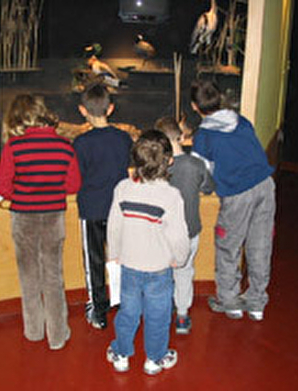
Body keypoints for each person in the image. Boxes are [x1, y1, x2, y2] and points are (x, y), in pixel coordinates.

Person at [0, 94, 81, 349]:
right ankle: (57, 335)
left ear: (18, 118)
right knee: (54, 276)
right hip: (54, 217)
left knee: (28, 276)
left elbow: (0, 186)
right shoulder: (65, 146)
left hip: (23, 218)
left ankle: (33, 330)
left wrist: (20, 193)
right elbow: (74, 184)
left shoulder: (14, 146)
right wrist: (51, 191)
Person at [190, 80, 276, 321]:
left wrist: (206, 191)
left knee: (228, 247)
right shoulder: (242, 121)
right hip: (265, 186)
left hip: (238, 194)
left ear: (195, 107)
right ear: (220, 99)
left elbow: (203, 174)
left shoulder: (204, 136)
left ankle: (229, 301)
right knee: (260, 246)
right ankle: (257, 302)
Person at [106, 130, 190, 375]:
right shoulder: (171, 196)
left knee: (128, 312)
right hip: (159, 269)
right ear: (169, 160)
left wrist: (114, 254)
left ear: (135, 159)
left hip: (129, 265)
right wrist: (180, 258)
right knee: (158, 316)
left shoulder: (122, 188)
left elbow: (114, 225)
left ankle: (121, 354)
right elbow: (178, 234)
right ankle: (154, 359)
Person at [73, 84, 133, 329]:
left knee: (94, 261)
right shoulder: (123, 138)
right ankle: (124, 304)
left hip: (91, 209)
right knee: (121, 257)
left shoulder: (80, 143)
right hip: (120, 209)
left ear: (82, 111)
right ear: (110, 108)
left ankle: (98, 310)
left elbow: (77, 177)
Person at [155, 117, 215, 334]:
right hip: (189, 230)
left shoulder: (157, 168)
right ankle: (182, 317)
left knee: (162, 274)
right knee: (185, 271)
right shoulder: (196, 165)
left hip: (163, 233)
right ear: (181, 136)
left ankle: (161, 316)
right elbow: (208, 188)